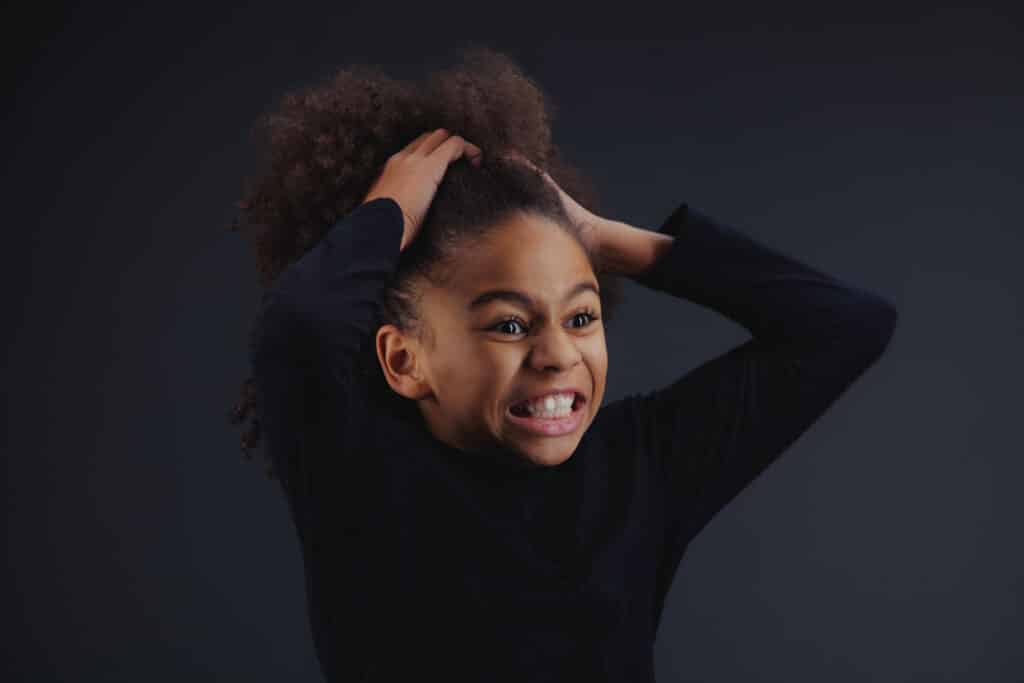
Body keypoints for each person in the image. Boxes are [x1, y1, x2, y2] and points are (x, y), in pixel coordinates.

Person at [228, 46, 898, 682]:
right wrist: (391, 209)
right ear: (404, 360)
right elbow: (300, 326)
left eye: (581, 317)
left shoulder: (641, 466)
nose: (557, 355)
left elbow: (844, 327)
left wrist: (602, 237)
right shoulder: (359, 469)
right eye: (510, 324)